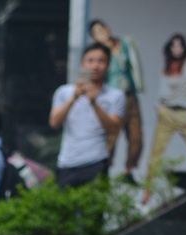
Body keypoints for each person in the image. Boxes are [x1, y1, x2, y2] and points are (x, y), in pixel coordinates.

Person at [50, 43, 126, 188]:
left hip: (96, 161)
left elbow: (114, 128)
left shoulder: (116, 96)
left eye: (101, 61)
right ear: (82, 64)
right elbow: (54, 122)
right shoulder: (64, 92)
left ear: (108, 65)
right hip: (67, 162)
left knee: (94, 209)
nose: (95, 66)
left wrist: (94, 102)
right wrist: (73, 98)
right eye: (90, 61)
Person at [146, 33, 186, 189]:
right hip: (167, 113)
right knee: (156, 154)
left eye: (180, 46)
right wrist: (158, 105)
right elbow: (163, 89)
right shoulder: (167, 65)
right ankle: (147, 190)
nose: (177, 49)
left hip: (185, 113)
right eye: (174, 46)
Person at [87, 19, 144, 178]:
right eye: (96, 33)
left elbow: (134, 66)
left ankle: (129, 170)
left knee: (136, 136)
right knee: (111, 137)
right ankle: (103, 170)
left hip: (129, 94)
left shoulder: (125, 44)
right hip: (113, 98)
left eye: (101, 30)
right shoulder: (101, 54)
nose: (101, 34)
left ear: (107, 29)